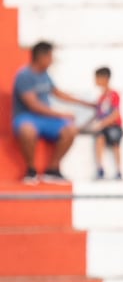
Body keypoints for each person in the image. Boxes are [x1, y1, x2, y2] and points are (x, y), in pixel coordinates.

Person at [11, 40, 94, 184]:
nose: (52, 60)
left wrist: (86, 103)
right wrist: (61, 114)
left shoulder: (45, 75)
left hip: (46, 120)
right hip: (27, 117)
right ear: (41, 57)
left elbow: (58, 93)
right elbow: (33, 105)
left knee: (70, 129)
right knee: (27, 130)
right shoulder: (23, 75)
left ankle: (52, 169)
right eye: (50, 56)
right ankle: (31, 170)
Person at [91, 66, 123, 180]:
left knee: (116, 144)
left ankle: (119, 170)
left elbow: (116, 114)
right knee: (100, 139)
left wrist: (101, 124)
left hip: (114, 126)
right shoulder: (101, 97)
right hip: (104, 127)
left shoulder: (113, 94)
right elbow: (97, 114)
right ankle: (100, 169)